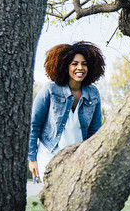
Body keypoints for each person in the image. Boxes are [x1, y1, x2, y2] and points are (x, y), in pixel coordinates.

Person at [28, 41, 105, 183]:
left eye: (84, 64)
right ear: (65, 66)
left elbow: (95, 130)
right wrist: (32, 158)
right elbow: (34, 124)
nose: (80, 68)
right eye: (74, 63)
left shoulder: (93, 93)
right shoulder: (50, 89)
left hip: (78, 156)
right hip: (49, 154)